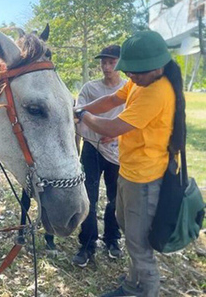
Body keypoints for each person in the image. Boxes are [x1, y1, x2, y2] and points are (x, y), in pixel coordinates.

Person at [73, 31, 185, 297]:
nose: (131, 76)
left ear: (157, 66)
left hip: (146, 179)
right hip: (130, 171)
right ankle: (132, 286)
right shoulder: (140, 81)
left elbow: (113, 125)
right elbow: (112, 100)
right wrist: (82, 108)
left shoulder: (157, 92)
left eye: (137, 72)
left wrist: (84, 115)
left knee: (139, 246)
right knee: (128, 228)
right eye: (130, 71)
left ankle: (144, 289)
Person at [71, 45, 126, 267]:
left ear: (120, 63)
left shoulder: (129, 89)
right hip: (92, 148)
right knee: (89, 197)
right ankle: (87, 245)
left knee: (116, 198)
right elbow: (78, 114)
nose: (106, 66)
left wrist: (117, 136)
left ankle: (112, 239)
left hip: (118, 151)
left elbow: (135, 122)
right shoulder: (90, 88)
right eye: (103, 62)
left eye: (111, 62)